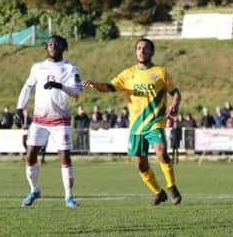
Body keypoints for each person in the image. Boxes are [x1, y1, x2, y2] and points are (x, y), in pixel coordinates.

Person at [83, 38, 183, 206]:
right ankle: (159, 193)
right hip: (136, 126)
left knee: (161, 152)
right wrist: (95, 85)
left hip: (155, 122)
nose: (141, 51)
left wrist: (175, 103)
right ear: (136, 51)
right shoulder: (128, 74)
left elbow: (176, 92)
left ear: (152, 52)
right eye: (138, 48)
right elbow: (109, 86)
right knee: (141, 165)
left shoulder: (160, 72)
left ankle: (172, 187)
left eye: (145, 48)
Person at [15, 34, 83, 209]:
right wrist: (19, 108)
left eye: (57, 43)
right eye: (50, 43)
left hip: (61, 121)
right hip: (39, 120)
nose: (53, 46)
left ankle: (69, 197)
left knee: (65, 157)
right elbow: (27, 87)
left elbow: (76, 92)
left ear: (63, 47)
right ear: (46, 47)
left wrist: (60, 86)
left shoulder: (70, 68)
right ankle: (34, 190)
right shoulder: (37, 67)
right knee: (30, 155)